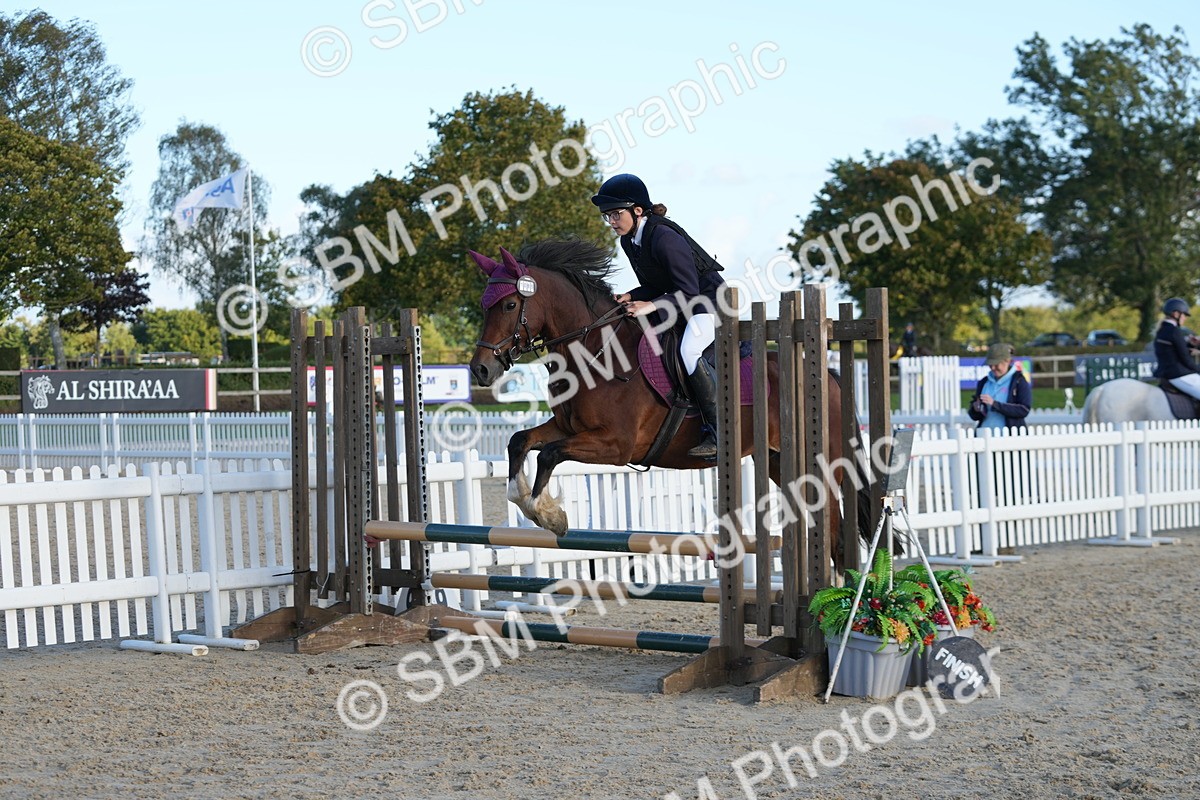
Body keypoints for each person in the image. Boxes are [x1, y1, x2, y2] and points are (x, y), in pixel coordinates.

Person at [590, 173, 726, 459]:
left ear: (637, 210)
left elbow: (688, 291)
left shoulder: (664, 237)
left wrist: (649, 306)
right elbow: (657, 285)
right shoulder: (629, 241)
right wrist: (631, 295)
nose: (612, 222)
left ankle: (718, 430)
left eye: (616, 214)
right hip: (680, 301)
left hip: (708, 302)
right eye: (608, 216)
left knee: (689, 351)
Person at [968, 342, 1031, 429]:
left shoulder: (1019, 381)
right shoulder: (984, 382)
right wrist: (975, 409)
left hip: (1009, 438)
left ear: (1008, 361)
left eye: (996, 364)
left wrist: (995, 404)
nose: (993, 368)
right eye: (990, 364)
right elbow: (974, 416)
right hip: (984, 435)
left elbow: (1024, 410)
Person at [1154, 298, 1200, 400]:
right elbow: (1185, 359)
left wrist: (1190, 344)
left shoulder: (1162, 330)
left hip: (1167, 373)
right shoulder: (1175, 331)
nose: (1185, 318)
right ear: (1176, 314)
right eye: (1184, 315)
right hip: (1178, 374)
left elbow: (1173, 351)